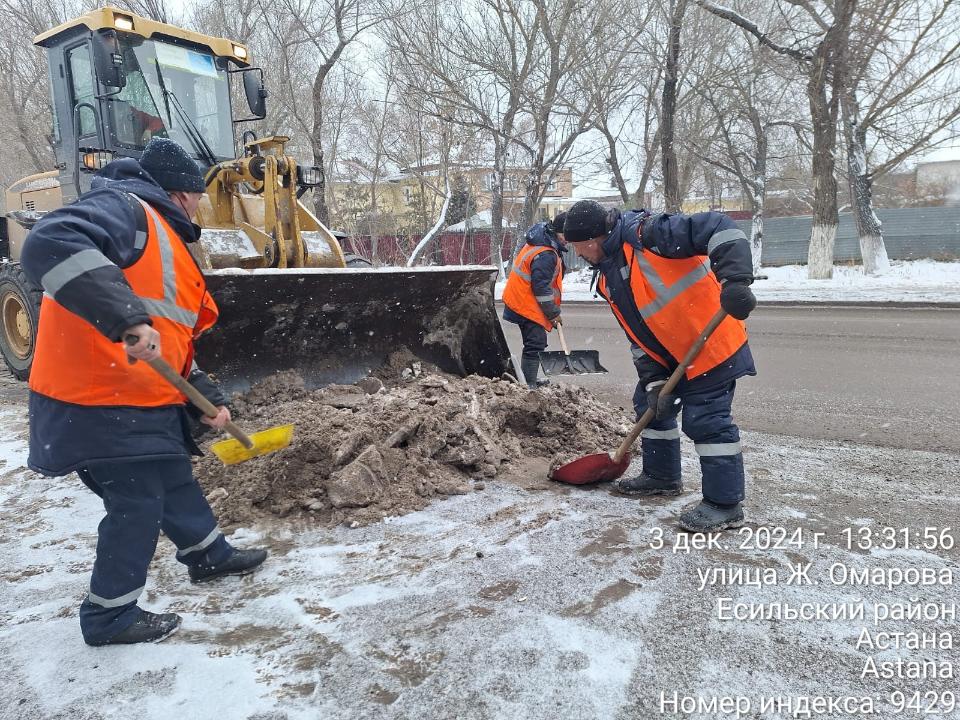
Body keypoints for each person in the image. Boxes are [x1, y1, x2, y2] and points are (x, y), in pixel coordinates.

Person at [21, 137, 268, 646]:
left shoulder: (162, 239)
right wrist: (126, 318)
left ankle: (209, 555)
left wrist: (206, 397)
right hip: (98, 399)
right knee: (137, 502)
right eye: (197, 197)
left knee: (173, 478)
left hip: (139, 398)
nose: (198, 207)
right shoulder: (125, 209)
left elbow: (170, 338)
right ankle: (109, 617)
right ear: (181, 194)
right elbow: (50, 240)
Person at [562, 200, 757, 532]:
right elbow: (638, 336)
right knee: (650, 406)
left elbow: (718, 226)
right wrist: (654, 380)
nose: (577, 254)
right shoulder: (609, 277)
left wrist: (735, 280)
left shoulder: (649, 235)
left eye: (578, 246)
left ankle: (725, 505)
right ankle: (661, 476)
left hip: (712, 345)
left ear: (594, 239)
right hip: (672, 357)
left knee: (707, 421)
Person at [502, 212, 568, 389]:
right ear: (556, 231)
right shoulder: (545, 253)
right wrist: (553, 314)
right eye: (565, 235)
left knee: (534, 342)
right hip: (524, 303)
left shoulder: (542, 240)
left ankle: (527, 378)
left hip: (521, 298)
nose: (568, 240)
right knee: (535, 342)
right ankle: (528, 384)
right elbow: (541, 288)